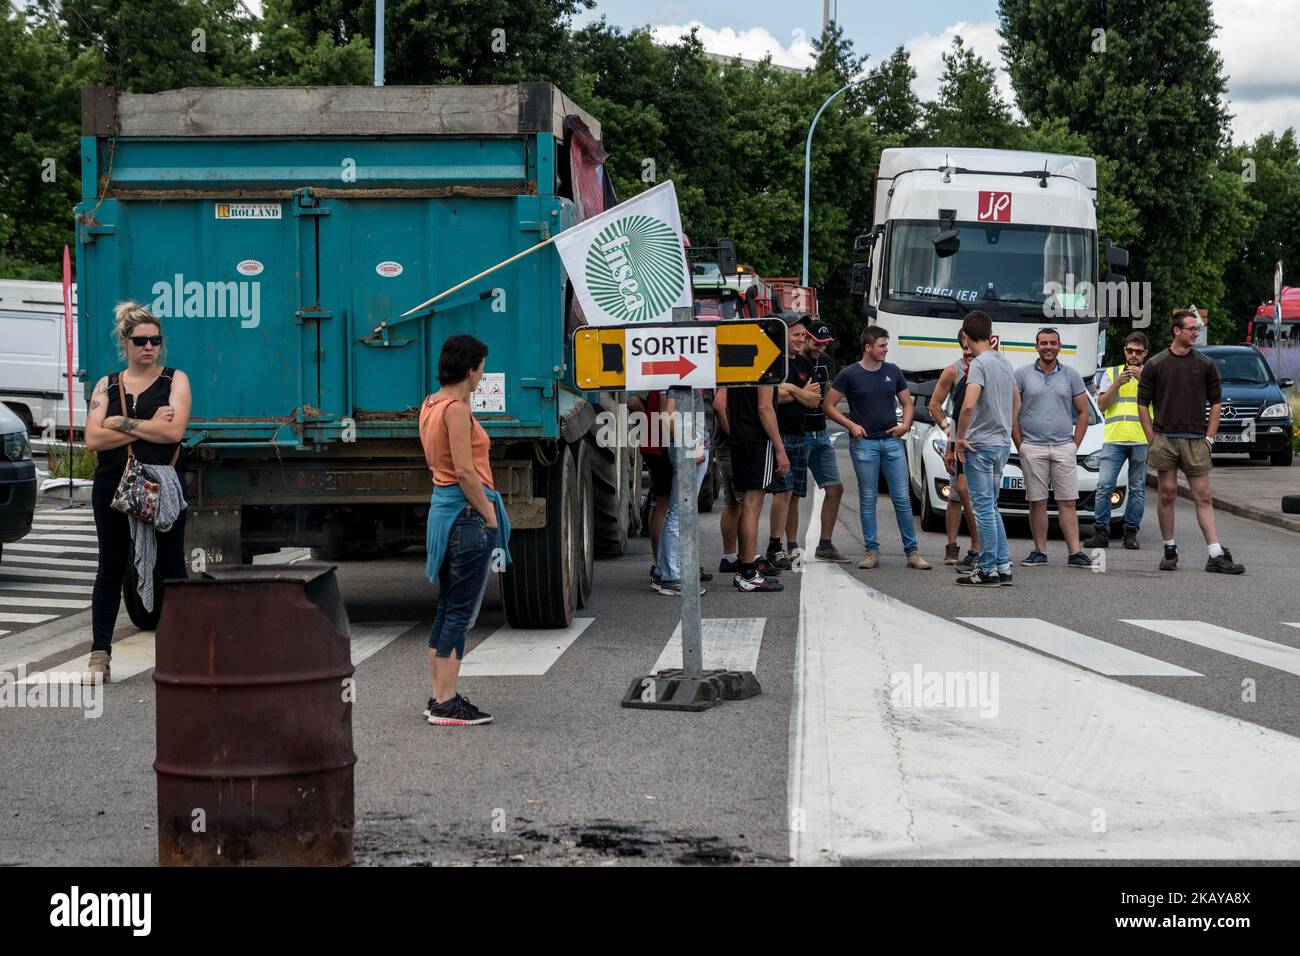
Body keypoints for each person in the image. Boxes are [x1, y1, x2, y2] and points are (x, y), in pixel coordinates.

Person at [83, 302, 192, 683]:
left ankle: (182, 651)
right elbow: (93, 439)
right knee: (111, 567)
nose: (149, 347)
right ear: (125, 343)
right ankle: (99, 654)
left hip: (162, 486)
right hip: (112, 483)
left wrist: (120, 421)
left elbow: (173, 433)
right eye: (140, 340)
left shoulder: (175, 380)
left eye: (155, 340)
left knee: (172, 568)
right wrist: (147, 424)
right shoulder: (107, 384)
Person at [419, 334, 513, 726]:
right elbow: (464, 471)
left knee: (446, 607)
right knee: (460, 612)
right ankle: (447, 702)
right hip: (467, 516)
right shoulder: (455, 410)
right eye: (481, 368)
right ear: (470, 370)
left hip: (443, 514)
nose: (483, 375)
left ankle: (440, 696)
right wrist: (489, 515)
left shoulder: (431, 403)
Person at [1138, 310, 1244, 574]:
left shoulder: (1205, 364)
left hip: (1196, 439)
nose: (1196, 333)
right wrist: (1152, 437)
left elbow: (1217, 403)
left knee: (1203, 496)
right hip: (1165, 439)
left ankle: (1215, 554)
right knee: (1167, 493)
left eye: (1197, 329)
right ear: (1177, 331)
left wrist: (1209, 437)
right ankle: (1169, 550)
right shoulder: (1156, 364)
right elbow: (1142, 404)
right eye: (1192, 329)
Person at [824, 326, 932, 570]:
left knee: (903, 498)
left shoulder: (892, 372)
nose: (885, 350)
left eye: (886, 345)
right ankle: (871, 551)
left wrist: (905, 425)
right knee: (868, 497)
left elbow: (907, 403)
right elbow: (829, 406)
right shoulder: (849, 374)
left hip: (892, 442)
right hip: (864, 445)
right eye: (882, 346)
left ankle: (912, 552)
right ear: (868, 347)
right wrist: (851, 425)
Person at [1013, 327, 1093, 569]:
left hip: (1063, 447)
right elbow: (1012, 414)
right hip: (1032, 447)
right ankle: (1039, 551)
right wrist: (1021, 446)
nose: (1048, 347)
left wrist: (1074, 445)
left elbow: (1083, 412)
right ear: (1036, 346)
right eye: (1043, 343)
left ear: (1060, 346)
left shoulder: (1071, 375)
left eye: (1053, 343)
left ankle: (1075, 552)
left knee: (1067, 501)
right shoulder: (1022, 374)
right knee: (1037, 501)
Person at [953, 311, 1018, 587]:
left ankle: (987, 568)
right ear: (990, 333)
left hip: (979, 444)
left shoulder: (979, 365)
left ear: (966, 338)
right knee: (992, 506)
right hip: (1002, 444)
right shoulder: (1005, 362)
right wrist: (1005, 426)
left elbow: (968, 405)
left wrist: (959, 437)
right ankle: (1003, 565)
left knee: (982, 509)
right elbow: (1017, 402)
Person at [1084, 331, 1151, 550]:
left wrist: (1143, 380)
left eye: (1138, 352)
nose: (1133, 355)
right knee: (1104, 486)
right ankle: (1101, 533)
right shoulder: (1111, 374)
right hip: (1114, 439)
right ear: (1124, 351)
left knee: (1138, 488)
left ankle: (1130, 533)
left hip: (1141, 439)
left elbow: (1161, 400)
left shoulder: (1151, 374)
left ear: (1145, 354)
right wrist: (1117, 385)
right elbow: (1102, 405)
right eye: (1130, 350)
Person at [723, 375, 789, 592]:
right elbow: (765, 407)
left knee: (747, 506)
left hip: (740, 436)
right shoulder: (766, 362)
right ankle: (748, 573)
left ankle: (746, 567)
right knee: (753, 506)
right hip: (757, 438)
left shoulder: (739, 363)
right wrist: (780, 448)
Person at [766, 318, 822, 570]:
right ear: (784, 334)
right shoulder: (773, 360)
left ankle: (792, 545)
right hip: (780, 434)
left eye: (803, 335)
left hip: (800, 435)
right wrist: (800, 392)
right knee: (783, 492)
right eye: (796, 334)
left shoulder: (804, 363)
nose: (801, 339)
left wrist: (791, 389)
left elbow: (814, 401)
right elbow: (773, 398)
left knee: (795, 495)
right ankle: (774, 546)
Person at [799, 317, 850, 563]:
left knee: (836, 488)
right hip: (799, 432)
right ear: (806, 337)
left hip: (821, 431)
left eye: (824, 343)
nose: (820, 347)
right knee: (791, 492)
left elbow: (828, 394)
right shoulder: (796, 361)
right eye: (817, 342)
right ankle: (786, 546)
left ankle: (825, 544)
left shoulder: (827, 362)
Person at [928, 331, 980, 569]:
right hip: (958, 440)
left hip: (982, 441)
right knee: (957, 496)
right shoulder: (952, 370)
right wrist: (947, 429)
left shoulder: (988, 368)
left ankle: (980, 547)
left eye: (971, 349)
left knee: (978, 496)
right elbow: (934, 404)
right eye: (964, 350)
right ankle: (952, 545)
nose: (968, 354)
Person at [652, 390, 710, 595]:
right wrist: (692, 445)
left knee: (676, 511)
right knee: (680, 512)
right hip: (689, 446)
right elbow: (667, 414)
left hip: (687, 444)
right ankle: (672, 577)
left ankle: (663, 573)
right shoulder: (683, 376)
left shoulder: (681, 375)